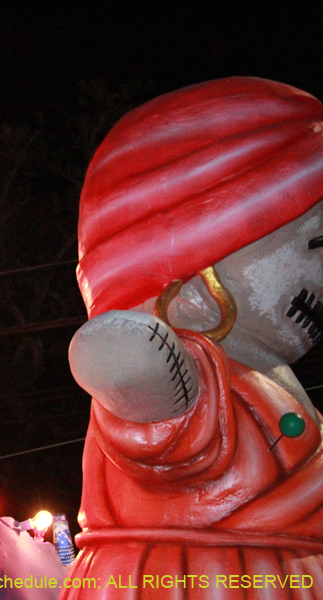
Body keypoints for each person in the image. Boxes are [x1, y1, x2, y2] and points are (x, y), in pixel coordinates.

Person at [64, 77, 323, 598]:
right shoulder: (202, 380)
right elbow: (164, 426)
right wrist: (142, 363)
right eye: (316, 245)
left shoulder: (268, 381)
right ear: (198, 293)